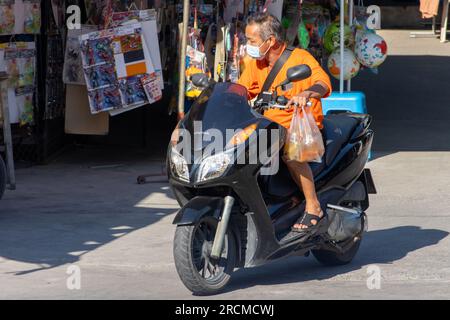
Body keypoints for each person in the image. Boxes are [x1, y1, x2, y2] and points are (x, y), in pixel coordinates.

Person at [238, 13, 332, 238]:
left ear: (269, 41)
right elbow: (241, 89)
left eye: (251, 41)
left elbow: (323, 83)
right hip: (268, 125)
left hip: (299, 128)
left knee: (291, 154)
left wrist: (308, 93)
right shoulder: (255, 64)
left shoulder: (300, 58)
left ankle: (313, 207)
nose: (247, 46)